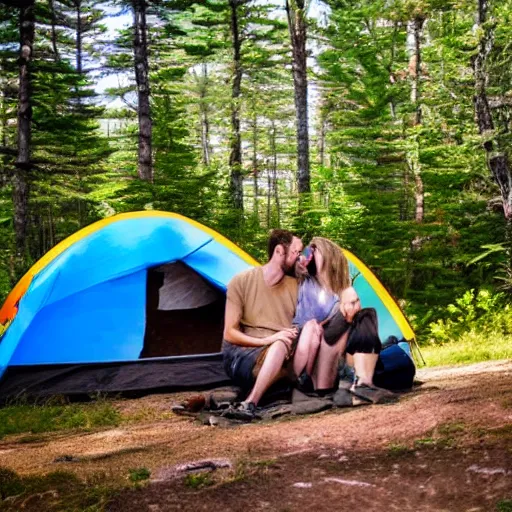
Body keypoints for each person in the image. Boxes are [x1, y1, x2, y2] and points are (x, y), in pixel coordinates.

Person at [222, 229, 303, 417]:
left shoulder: (298, 286)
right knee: (280, 343)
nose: (299, 258)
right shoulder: (241, 282)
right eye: (295, 252)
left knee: (285, 344)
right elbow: (229, 333)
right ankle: (250, 403)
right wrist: (270, 340)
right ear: (278, 252)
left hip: (283, 356)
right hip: (244, 355)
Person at [292, 237, 383, 396]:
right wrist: (303, 256)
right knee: (356, 312)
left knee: (366, 314)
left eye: (313, 251)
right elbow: (293, 261)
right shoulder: (303, 280)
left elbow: (344, 313)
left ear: (328, 256)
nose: (309, 254)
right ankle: (352, 379)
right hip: (302, 335)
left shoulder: (338, 292)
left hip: (327, 334)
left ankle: (362, 381)